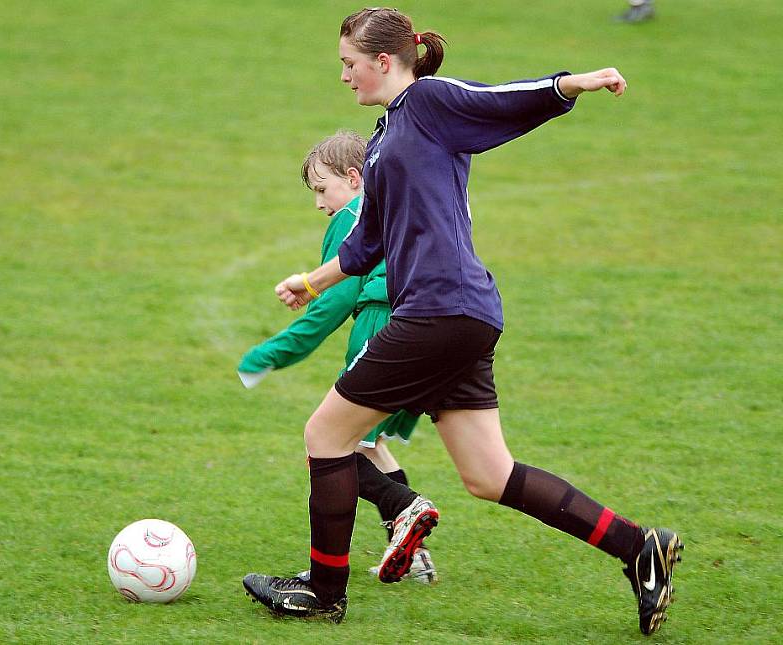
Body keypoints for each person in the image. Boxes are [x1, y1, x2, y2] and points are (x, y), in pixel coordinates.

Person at [243, 7, 683, 635]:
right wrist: (311, 282)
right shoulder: (386, 134)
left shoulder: (428, 102)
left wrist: (573, 83)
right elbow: (368, 241)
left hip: (439, 310)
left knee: (326, 437)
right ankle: (640, 547)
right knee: (488, 475)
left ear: (385, 61)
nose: (343, 76)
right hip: (460, 313)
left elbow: (499, 100)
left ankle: (323, 591)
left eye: (349, 63)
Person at [237, 130, 437, 584]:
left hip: (382, 324)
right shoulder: (393, 210)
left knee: (326, 446)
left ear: (353, 177)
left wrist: (268, 355)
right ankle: (413, 552)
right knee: (367, 442)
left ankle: (403, 508)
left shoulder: (353, 219)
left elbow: (334, 302)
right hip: (425, 324)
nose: (319, 204)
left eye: (322, 188)